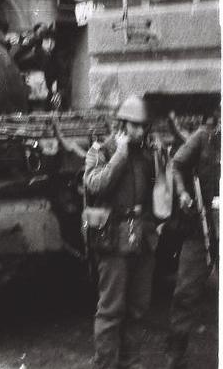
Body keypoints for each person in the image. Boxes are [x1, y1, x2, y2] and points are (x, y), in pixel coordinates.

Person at [83, 95, 158, 369]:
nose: (140, 131)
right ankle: (105, 364)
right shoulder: (101, 150)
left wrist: (160, 159)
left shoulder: (148, 153)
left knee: (138, 308)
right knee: (111, 310)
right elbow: (94, 185)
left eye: (143, 126)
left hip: (141, 237)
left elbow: (159, 193)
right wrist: (120, 156)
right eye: (134, 126)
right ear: (122, 124)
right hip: (113, 239)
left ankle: (132, 362)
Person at [166, 111, 220, 368]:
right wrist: (183, 193)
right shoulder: (202, 138)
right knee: (185, 293)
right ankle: (175, 355)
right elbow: (177, 164)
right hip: (201, 229)